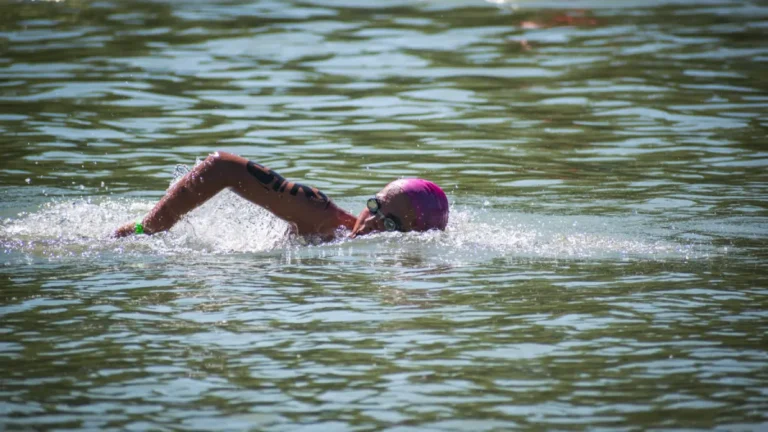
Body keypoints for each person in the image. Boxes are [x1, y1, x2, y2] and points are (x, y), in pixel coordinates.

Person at [113, 151, 449, 241]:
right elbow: (221, 167)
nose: (370, 222)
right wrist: (148, 228)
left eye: (390, 224)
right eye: (375, 206)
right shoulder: (318, 213)